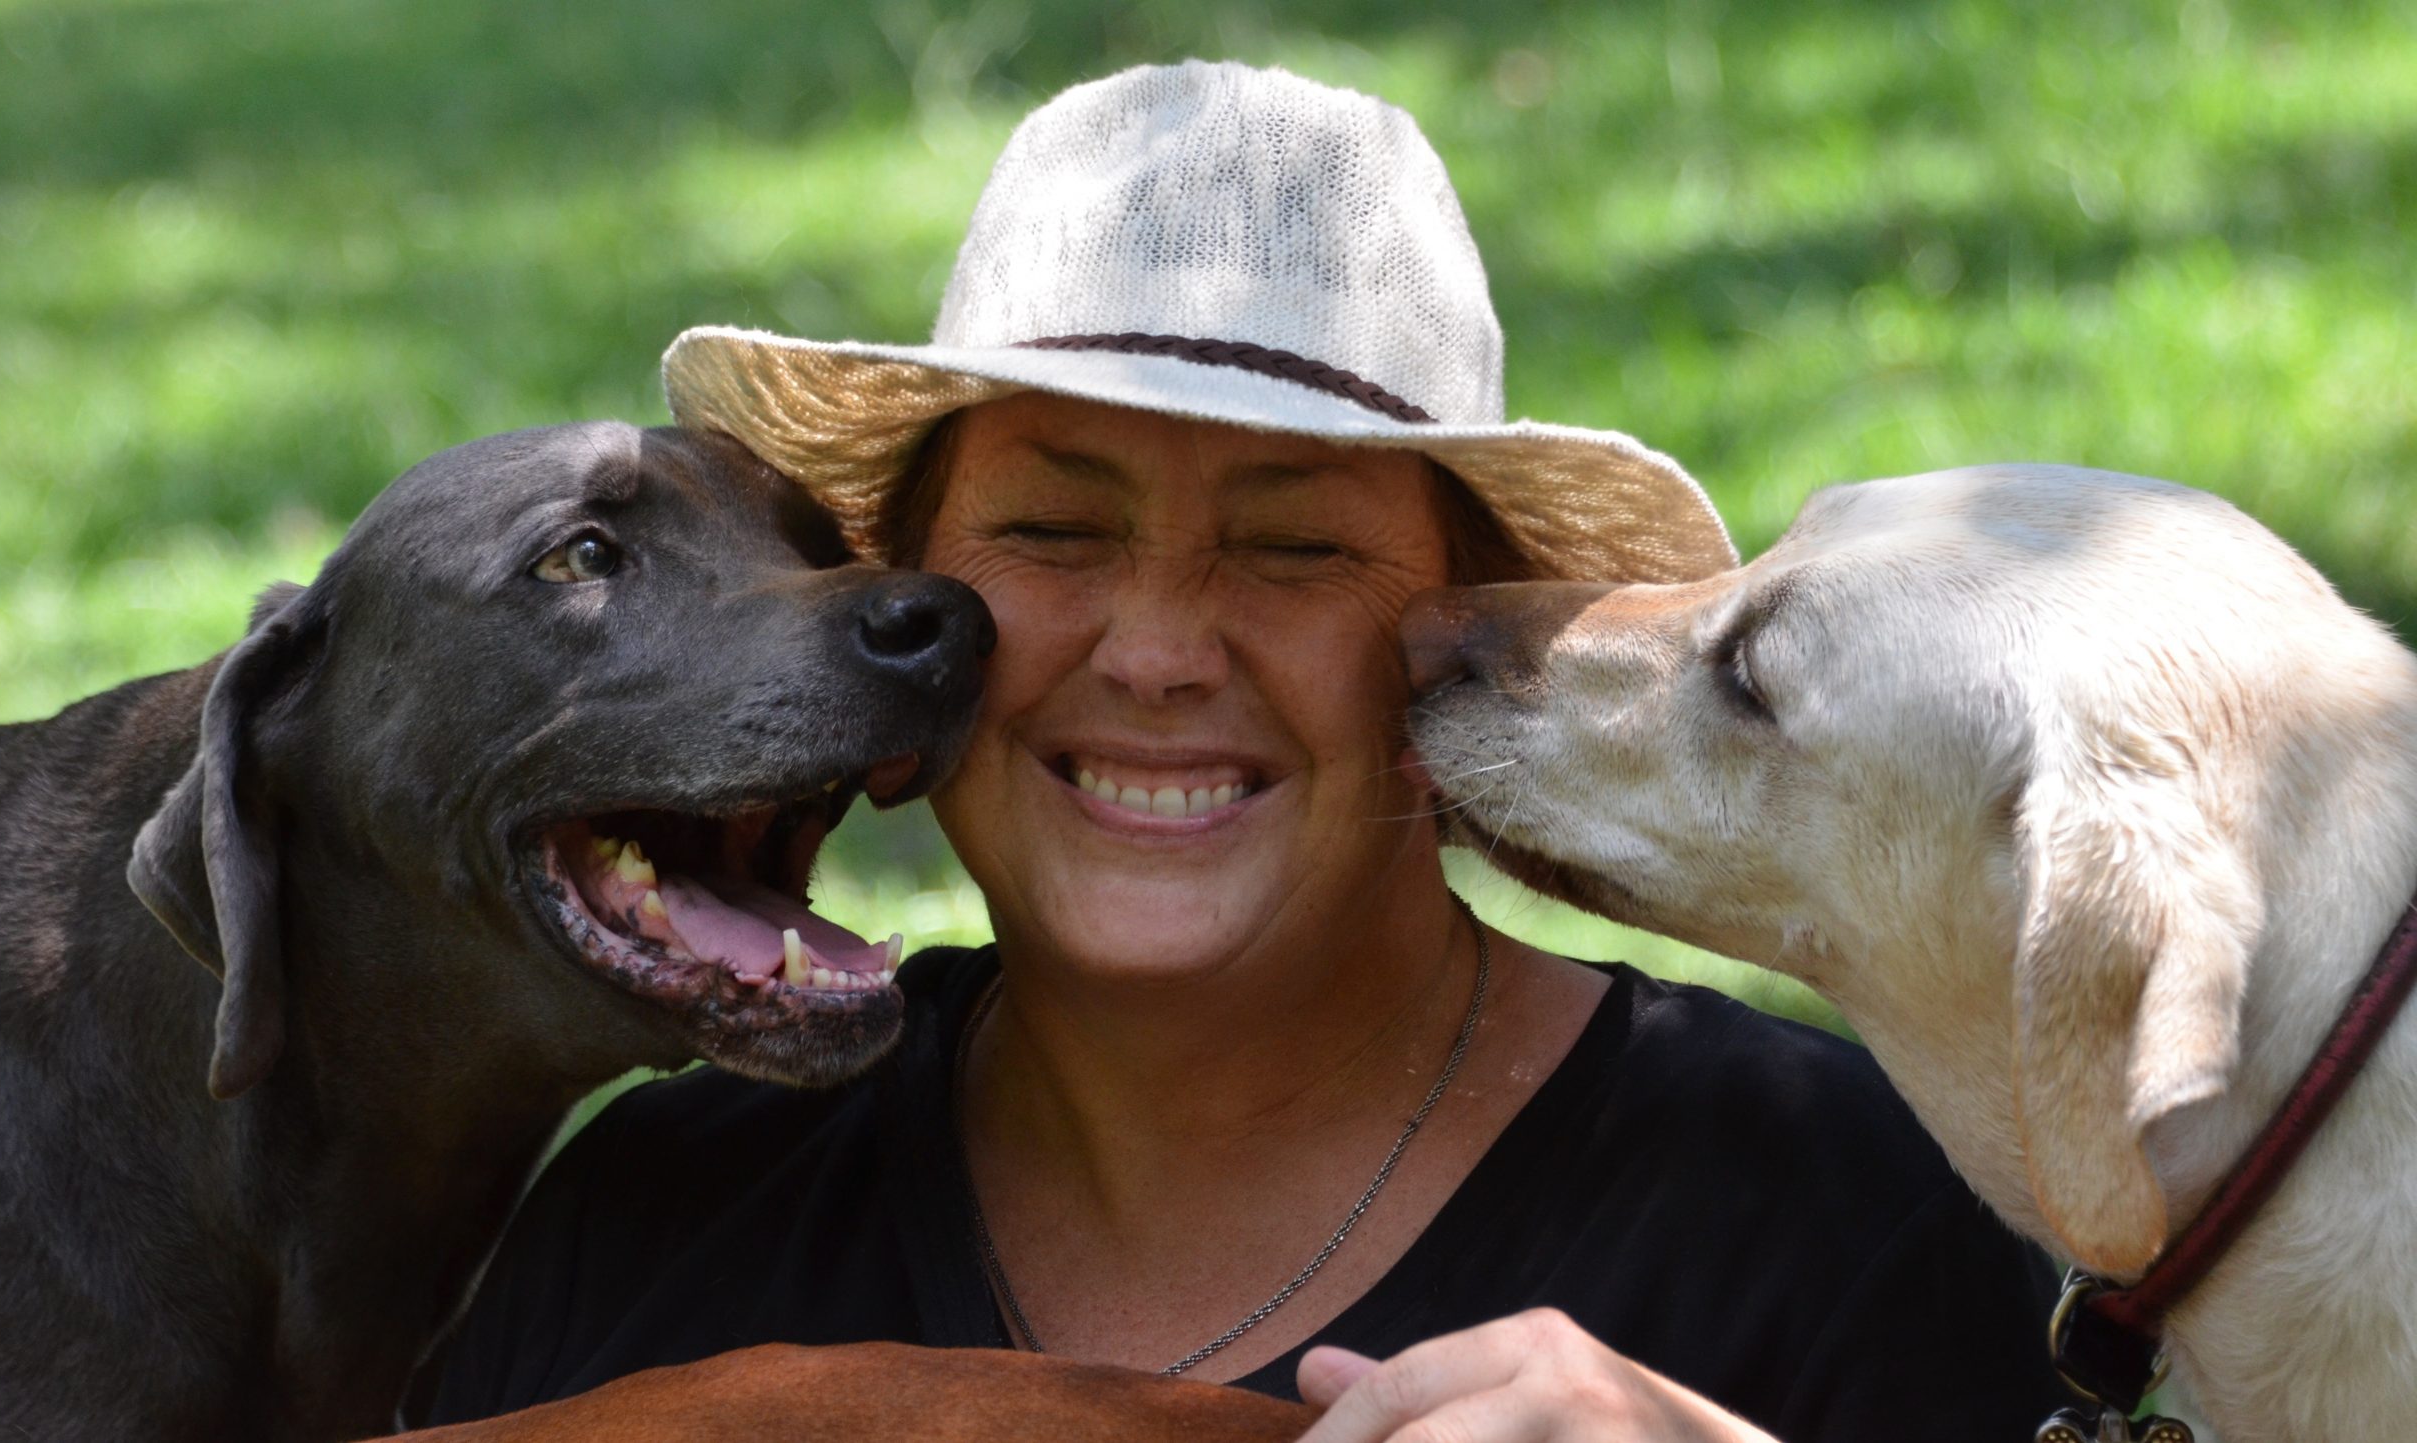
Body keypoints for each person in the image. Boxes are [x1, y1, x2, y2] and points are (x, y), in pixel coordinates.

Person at [422, 61, 2069, 1441]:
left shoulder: (1842, 1217)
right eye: (1056, 529)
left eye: (1295, 553)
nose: (1154, 650)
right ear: (912, 627)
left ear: (1465, 652)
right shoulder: (654, 1229)